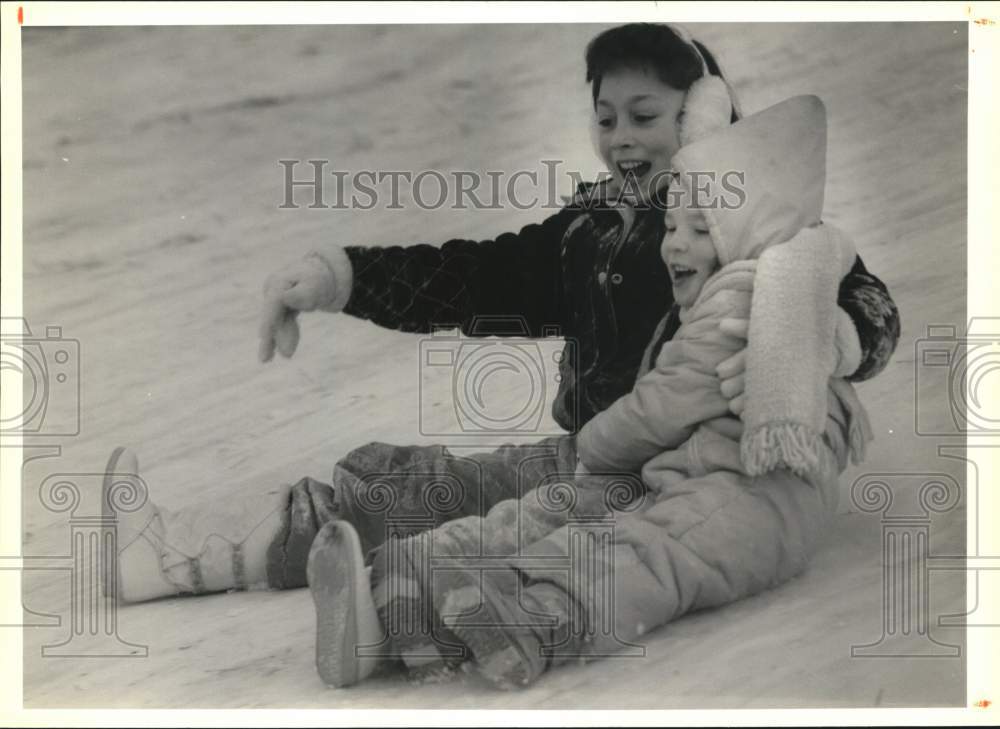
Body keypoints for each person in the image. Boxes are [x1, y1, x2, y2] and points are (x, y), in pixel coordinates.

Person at [102, 24, 900, 685]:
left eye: (645, 115)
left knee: (535, 537)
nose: (621, 139)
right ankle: (182, 558)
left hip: (665, 479)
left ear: (702, 118)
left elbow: (861, 297)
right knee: (422, 484)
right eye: (606, 117)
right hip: (587, 455)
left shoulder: (755, 227)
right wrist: (344, 278)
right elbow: (477, 274)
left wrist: (836, 334)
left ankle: (405, 614)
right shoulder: (589, 234)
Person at [306, 93, 877, 690]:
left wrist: (593, 448)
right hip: (686, 469)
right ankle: (404, 597)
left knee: (650, 553)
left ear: (748, 234)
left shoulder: (746, 298)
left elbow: (663, 406)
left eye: (700, 230)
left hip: (756, 499)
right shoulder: (728, 285)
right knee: (568, 511)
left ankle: (531, 616)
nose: (674, 244)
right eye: (673, 226)